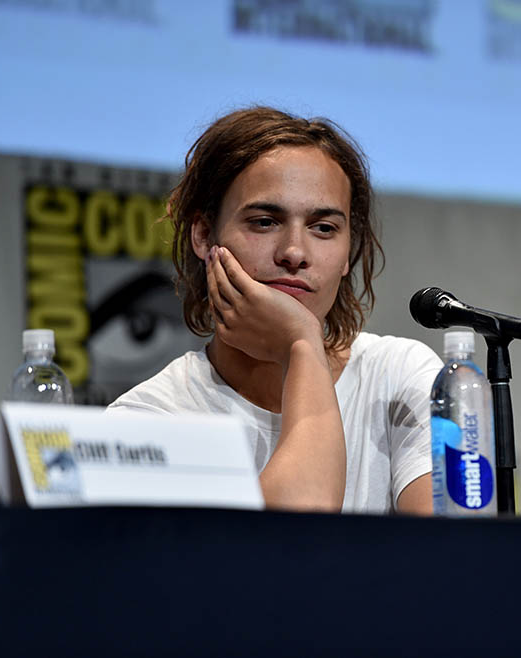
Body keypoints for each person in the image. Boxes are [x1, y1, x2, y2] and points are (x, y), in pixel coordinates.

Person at [108, 106, 443, 514]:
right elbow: (295, 545)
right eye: (265, 221)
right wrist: (301, 344)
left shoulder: (400, 378)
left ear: (348, 253)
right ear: (202, 234)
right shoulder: (149, 420)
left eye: (324, 228)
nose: (294, 253)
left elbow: (452, 558)